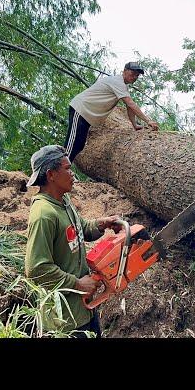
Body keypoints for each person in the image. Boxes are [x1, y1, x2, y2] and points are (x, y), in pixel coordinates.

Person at [24, 144, 122, 336]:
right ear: (51, 175)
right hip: (65, 322)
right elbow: (36, 269)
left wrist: (102, 224)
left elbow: (80, 229)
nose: (73, 174)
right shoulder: (44, 214)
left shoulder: (63, 202)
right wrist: (77, 284)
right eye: (67, 169)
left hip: (85, 311)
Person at [64, 61, 160, 162]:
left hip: (86, 115)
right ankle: (57, 170)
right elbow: (130, 104)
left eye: (137, 75)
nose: (134, 77)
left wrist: (134, 125)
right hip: (81, 109)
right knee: (72, 144)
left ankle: (64, 168)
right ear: (124, 71)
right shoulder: (117, 81)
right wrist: (148, 120)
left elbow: (129, 107)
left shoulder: (123, 86)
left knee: (79, 145)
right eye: (132, 73)